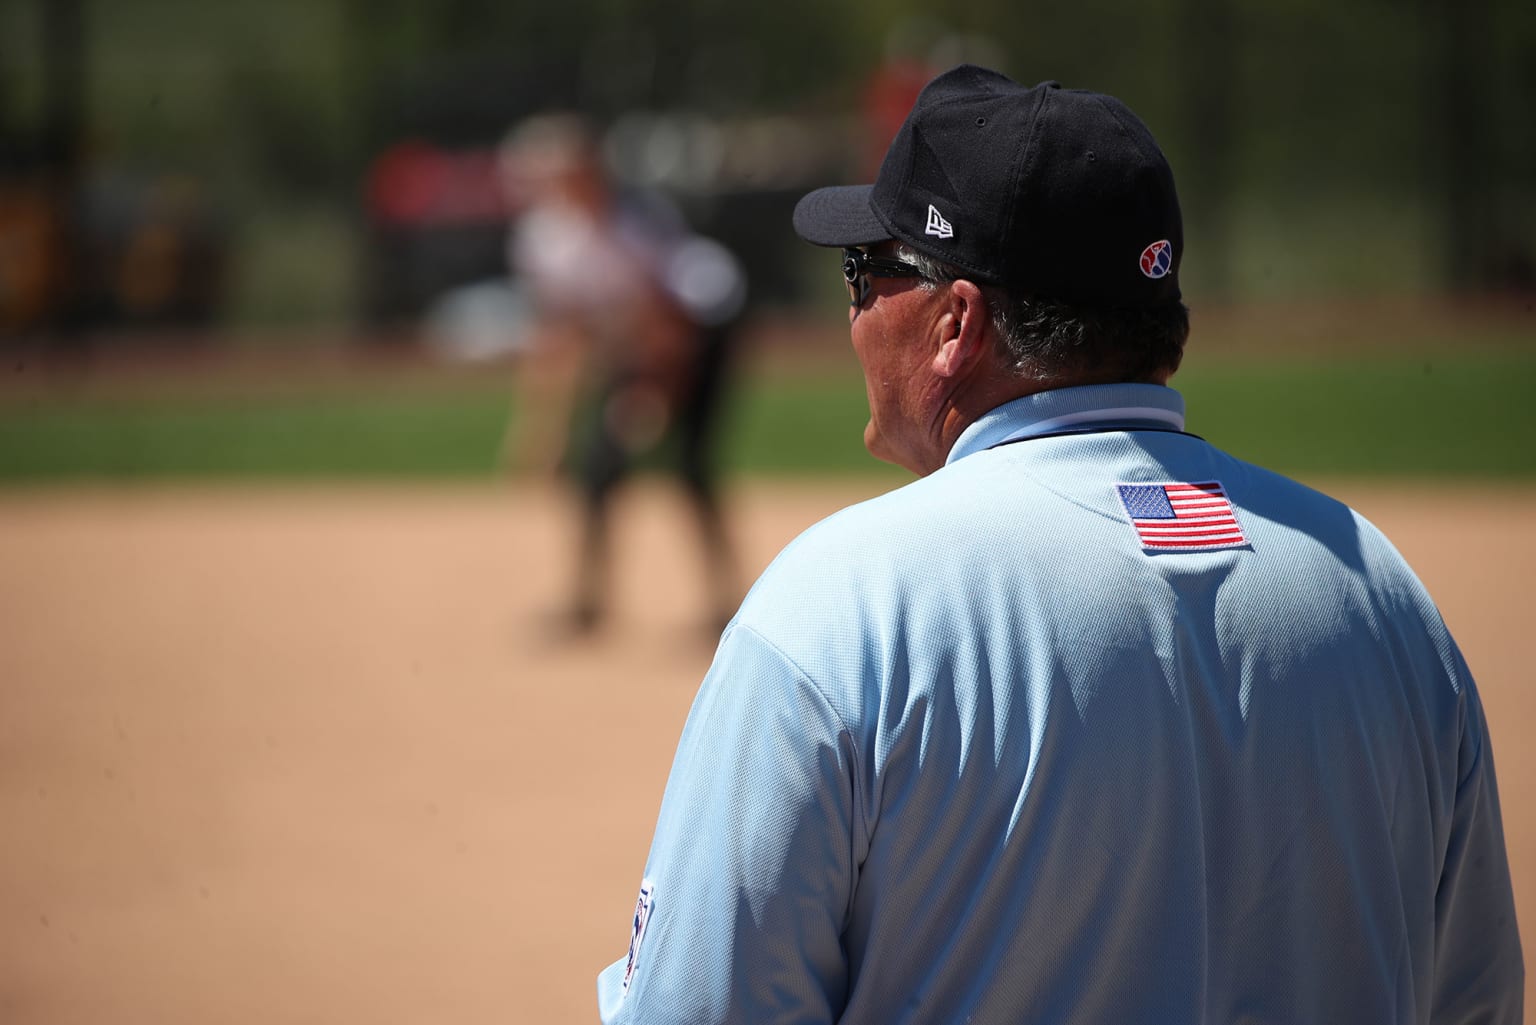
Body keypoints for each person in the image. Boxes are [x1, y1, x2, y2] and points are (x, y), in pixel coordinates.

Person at [595, 65, 1524, 1023]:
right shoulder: (1378, 587)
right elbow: (1476, 1000)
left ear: (957, 322)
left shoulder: (844, 601)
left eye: (865, 273)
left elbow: (697, 1007)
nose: (853, 315)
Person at [498, 114, 746, 636]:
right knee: (596, 468)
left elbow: (670, 324)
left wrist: (654, 393)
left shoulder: (639, 225)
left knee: (690, 464)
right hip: (629, 346)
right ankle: (587, 602)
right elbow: (559, 338)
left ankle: (728, 602)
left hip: (698, 336)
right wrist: (543, 427)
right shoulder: (543, 240)